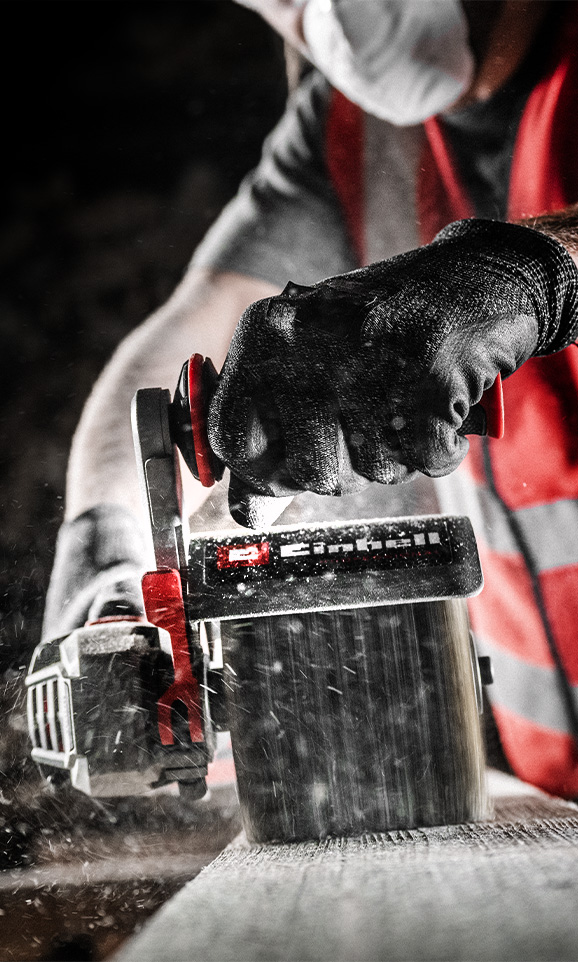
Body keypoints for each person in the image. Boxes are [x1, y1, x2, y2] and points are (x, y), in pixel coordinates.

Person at [43, 0, 578, 799]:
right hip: (556, 790)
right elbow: (189, 329)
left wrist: (536, 273)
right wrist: (111, 565)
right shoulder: (349, 125)